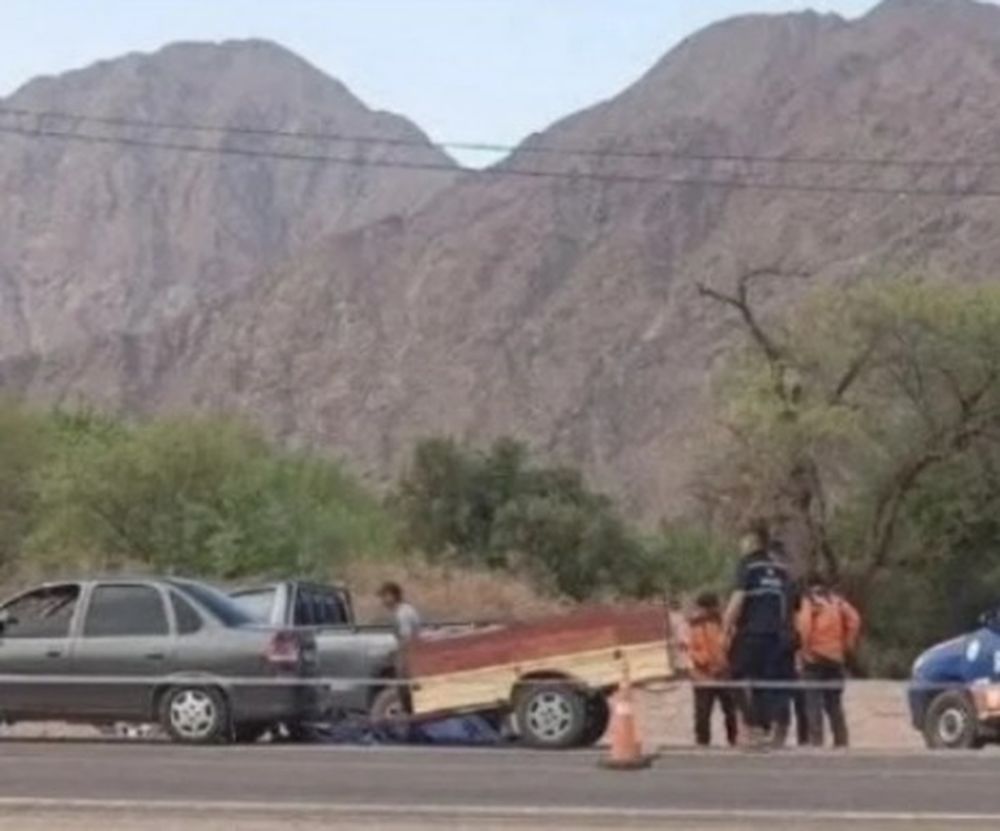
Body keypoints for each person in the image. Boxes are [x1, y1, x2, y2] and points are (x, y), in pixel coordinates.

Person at [723, 527, 794, 748]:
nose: (740, 547)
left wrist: (725, 628)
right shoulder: (781, 570)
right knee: (765, 682)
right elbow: (786, 605)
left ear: (753, 543)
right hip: (776, 636)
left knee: (734, 676)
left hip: (752, 633)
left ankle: (752, 725)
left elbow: (738, 599)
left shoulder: (748, 565)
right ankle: (766, 728)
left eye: (743, 542)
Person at [796, 573, 861, 748]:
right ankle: (841, 741)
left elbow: (804, 627)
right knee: (834, 704)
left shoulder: (811, 602)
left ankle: (817, 742)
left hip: (814, 659)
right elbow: (854, 620)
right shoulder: (837, 602)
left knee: (813, 703)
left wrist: (803, 651)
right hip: (835, 659)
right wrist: (847, 645)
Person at [688, 591, 738, 747]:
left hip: (721, 675)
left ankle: (732, 740)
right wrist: (705, 663)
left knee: (730, 712)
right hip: (704, 676)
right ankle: (703, 743)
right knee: (703, 715)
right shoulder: (695, 626)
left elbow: (730, 648)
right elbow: (691, 649)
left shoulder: (725, 625)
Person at [377, 582, 423, 715]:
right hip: (412, 656)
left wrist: (399, 658)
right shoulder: (405, 610)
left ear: (392, 596)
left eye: (384, 597)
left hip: (409, 658)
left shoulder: (403, 613)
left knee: (406, 695)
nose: (383, 601)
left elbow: (406, 639)